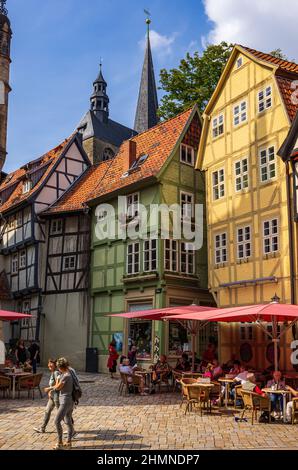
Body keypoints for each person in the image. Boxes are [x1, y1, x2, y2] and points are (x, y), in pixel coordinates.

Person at [51, 357, 75, 449]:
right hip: (70, 401)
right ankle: (68, 443)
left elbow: (57, 388)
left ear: (60, 367)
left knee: (57, 421)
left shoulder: (65, 376)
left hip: (65, 401)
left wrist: (55, 384)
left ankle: (60, 442)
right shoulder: (69, 373)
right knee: (68, 422)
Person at [34, 359, 60, 434]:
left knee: (61, 413)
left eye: (51, 364)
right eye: (49, 364)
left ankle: (71, 429)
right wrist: (50, 391)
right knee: (47, 411)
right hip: (52, 397)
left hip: (57, 397)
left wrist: (49, 389)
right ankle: (42, 428)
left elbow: (58, 385)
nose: (49, 365)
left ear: (55, 365)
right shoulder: (53, 373)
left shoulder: (56, 373)